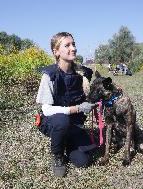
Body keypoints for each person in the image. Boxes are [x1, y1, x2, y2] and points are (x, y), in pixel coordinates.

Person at [36, 32, 97, 177]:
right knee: (61, 120)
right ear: (56, 52)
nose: (73, 48)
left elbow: (93, 95)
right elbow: (46, 110)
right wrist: (77, 108)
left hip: (74, 125)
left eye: (74, 44)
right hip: (54, 122)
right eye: (67, 45)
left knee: (83, 161)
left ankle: (68, 144)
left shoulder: (83, 74)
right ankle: (57, 156)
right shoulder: (49, 75)